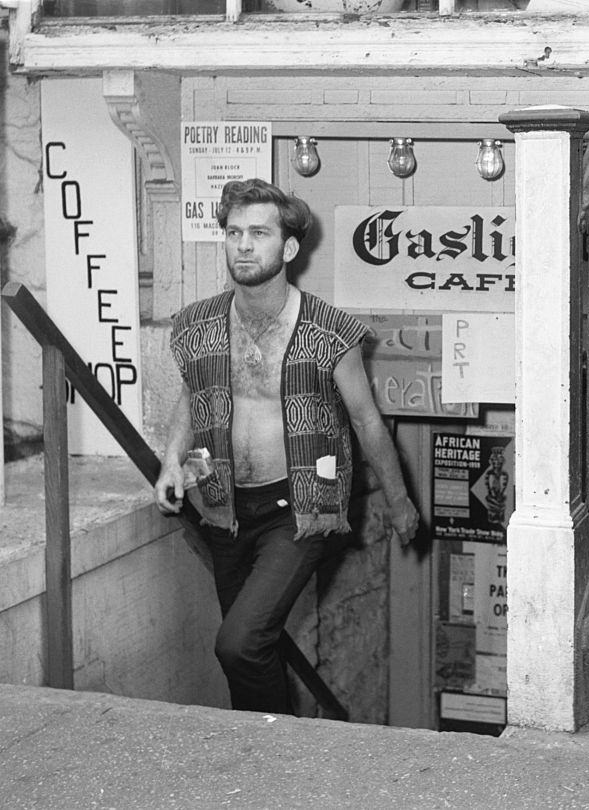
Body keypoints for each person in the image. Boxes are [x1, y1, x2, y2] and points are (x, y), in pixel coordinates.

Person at [155, 178, 419, 713]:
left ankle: (273, 749)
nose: (243, 245)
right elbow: (193, 397)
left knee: (237, 643)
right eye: (233, 233)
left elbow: (368, 422)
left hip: (298, 510)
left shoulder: (328, 330)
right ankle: (262, 752)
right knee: (251, 647)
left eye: (258, 233)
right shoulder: (200, 323)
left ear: (289, 248)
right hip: (222, 507)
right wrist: (169, 461)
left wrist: (400, 503)